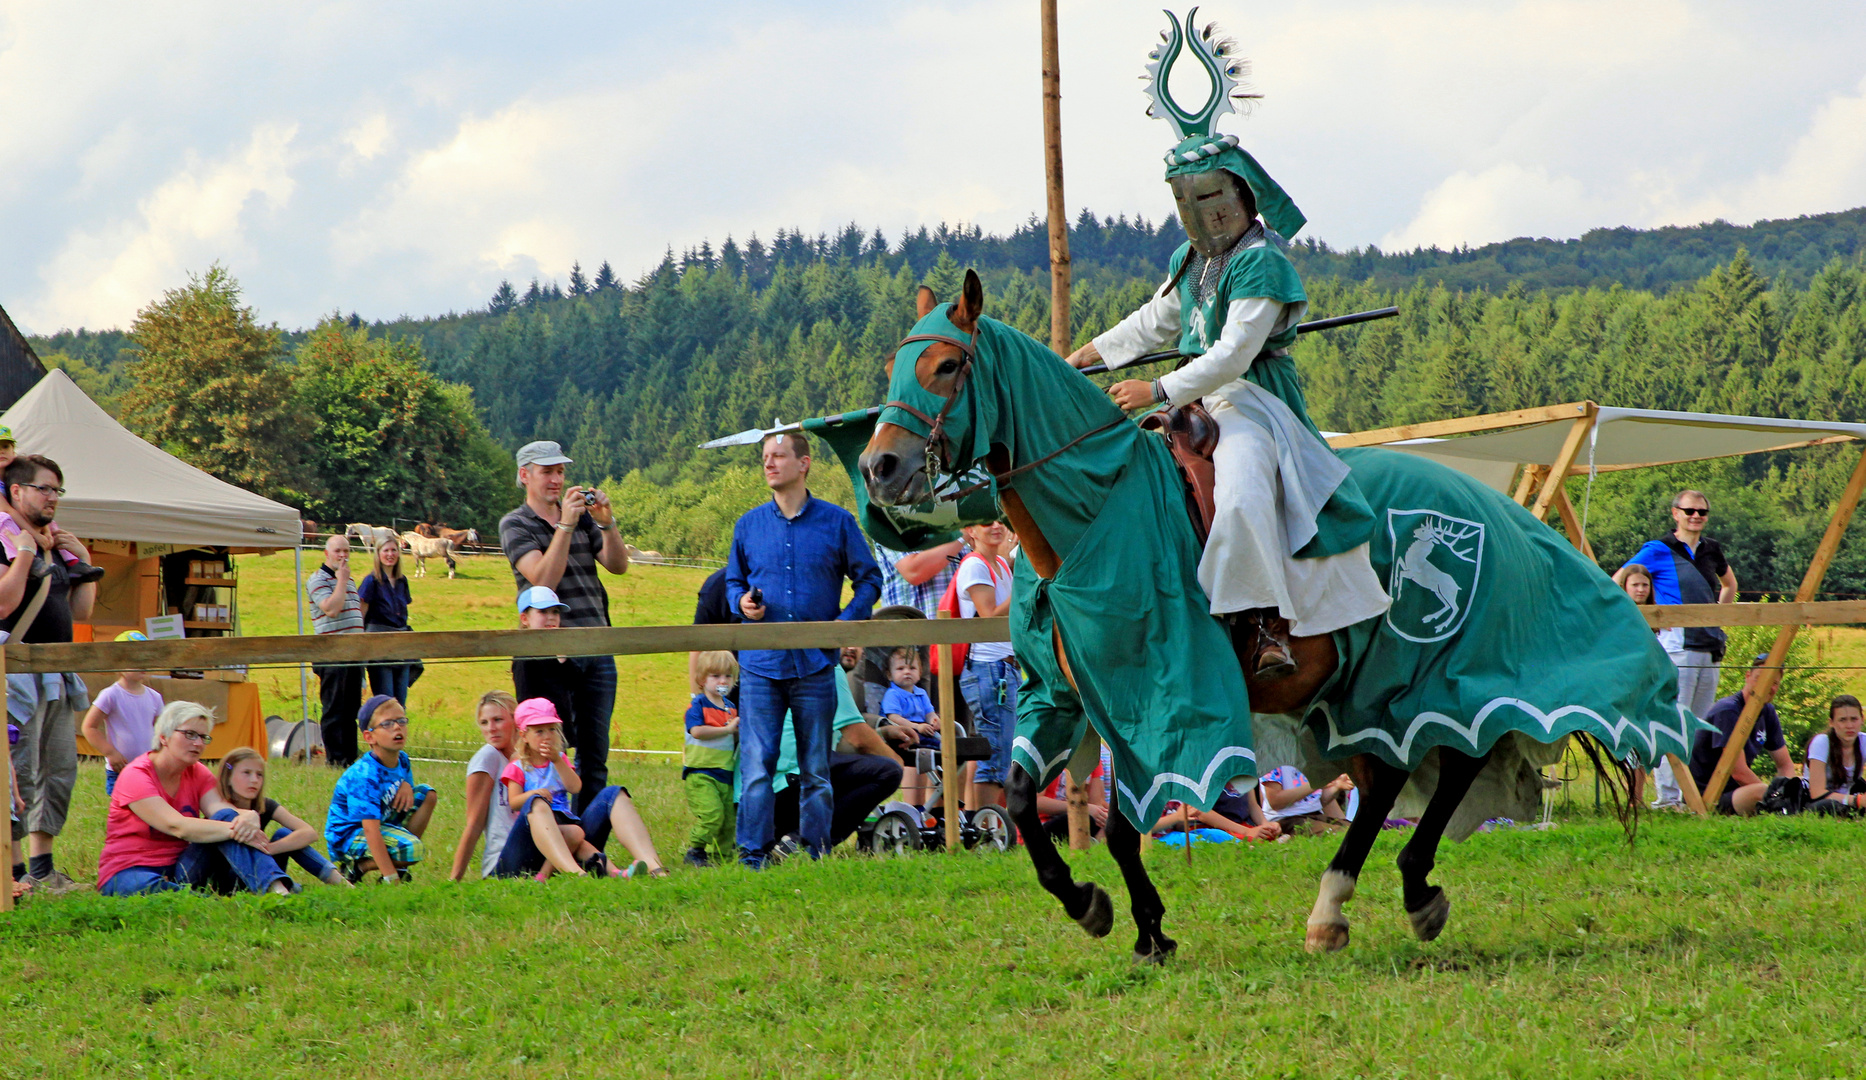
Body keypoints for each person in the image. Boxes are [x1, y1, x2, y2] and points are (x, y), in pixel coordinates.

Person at [1062, 93, 1388, 679]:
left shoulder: (1261, 262)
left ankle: (1265, 621)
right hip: (1191, 397)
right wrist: (1082, 358)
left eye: (1209, 195)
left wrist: (1158, 390)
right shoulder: (1189, 261)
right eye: (1185, 199)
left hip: (1251, 399)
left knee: (1239, 489)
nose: (1198, 210)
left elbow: (1234, 353)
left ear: (1239, 194)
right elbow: (1154, 321)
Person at [725, 430, 882, 865]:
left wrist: (845, 623)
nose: (769, 464)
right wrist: (741, 603)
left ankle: (814, 853)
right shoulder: (748, 525)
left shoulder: (837, 522)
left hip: (816, 665)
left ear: (804, 463)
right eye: (764, 457)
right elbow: (733, 583)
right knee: (756, 766)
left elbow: (870, 578)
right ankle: (751, 859)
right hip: (760, 666)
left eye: (778, 456)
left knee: (817, 768)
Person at [500, 440, 629, 812]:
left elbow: (618, 565)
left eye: (560, 471)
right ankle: (548, 833)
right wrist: (566, 525)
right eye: (547, 472)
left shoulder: (582, 518)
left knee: (595, 754)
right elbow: (542, 581)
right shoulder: (515, 523)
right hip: (548, 652)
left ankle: (588, 841)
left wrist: (606, 521)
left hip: (596, 645)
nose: (556, 480)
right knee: (546, 749)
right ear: (525, 476)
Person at [1, 454, 100, 895]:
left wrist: (82, 560)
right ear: (16, 491)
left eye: (58, 490)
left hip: (56, 671)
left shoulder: (52, 543)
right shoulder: (5, 538)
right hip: (16, 670)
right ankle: (15, 874)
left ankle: (43, 868)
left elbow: (80, 612)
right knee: (18, 772)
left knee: (58, 769)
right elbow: (5, 604)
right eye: (44, 488)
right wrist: (25, 550)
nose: (52, 498)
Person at [1615, 489, 1737, 807]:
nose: (1696, 516)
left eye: (1702, 512)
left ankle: (1688, 795)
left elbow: (1730, 585)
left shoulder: (1712, 549)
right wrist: (1647, 621)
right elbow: (1621, 579)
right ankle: (1668, 797)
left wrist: (1718, 620)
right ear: (1675, 513)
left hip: (1710, 645)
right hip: (1677, 645)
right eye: (1689, 511)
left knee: (1698, 725)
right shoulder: (1657, 549)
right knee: (1673, 721)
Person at [97, 702, 294, 897]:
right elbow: (176, 826)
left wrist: (248, 816)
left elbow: (221, 810)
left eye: (203, 737)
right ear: (164, 737)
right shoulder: (136, 775)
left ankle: (275, 887)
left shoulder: (198, 772)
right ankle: (211, 900)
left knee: (227, 817)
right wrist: (236, 828)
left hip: (182, 868)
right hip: (130, 869)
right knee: (144, 886)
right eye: (189, 734)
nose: (198, 743)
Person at [768, 656, 911, 853]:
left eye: (856, 644)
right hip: (790, 780)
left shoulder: (789, 662)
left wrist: (883, 732)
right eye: (844, 641)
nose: (851, 648)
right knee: (888, 770)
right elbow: (857, 737)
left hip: (762, 795)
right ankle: (802, 843)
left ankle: (783, 840)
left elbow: (840, 740)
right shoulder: (828, 666)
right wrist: (897, 761)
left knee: (836, 765)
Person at [324, 694, 439, 882]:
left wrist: (406, 785)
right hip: (348, 836)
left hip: (378, 821)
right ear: (370, 737)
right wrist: (390, 877)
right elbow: (370, 829)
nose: (397, 727)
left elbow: (407, 792)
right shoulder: (365, 775)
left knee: (427, 794)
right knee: (413, 849)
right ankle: (362, 867)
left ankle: (397, 863)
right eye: (387, 724)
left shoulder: (402, 760)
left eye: (401, 721)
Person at [501, 698, 617, 879]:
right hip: (535, 826)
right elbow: (514, 802)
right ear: (524, 735)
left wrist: (557, 760)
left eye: (552, 730)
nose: (547, 736)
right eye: (539, 731)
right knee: (576, 834)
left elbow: (575, 787)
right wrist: (533, 795)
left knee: (579, 840)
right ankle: (549, 875)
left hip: (563, 819)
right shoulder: (518, 766)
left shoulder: (560, 759)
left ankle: (616, 872)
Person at [953, 521, 1016, 812]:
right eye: (985, 522)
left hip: (1003, 667)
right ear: (970, 531)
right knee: (994, 750)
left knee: (998, 747)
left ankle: (980, 822)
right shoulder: (975, 565)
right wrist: (1025, 589)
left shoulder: (1001, 563)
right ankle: (985, 827)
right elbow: (988, 615)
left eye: (999, 519)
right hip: (987, 667)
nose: (996, 525)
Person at [216, 747, 347, 886]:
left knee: (284, 833)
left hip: (264, 868)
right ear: (228, 777)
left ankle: (342, 883)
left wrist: (270, 848)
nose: (254, 780)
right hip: (231, 877)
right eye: (246, 773)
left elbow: (309, 833)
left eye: (259, 774)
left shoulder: (265, 805)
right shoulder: (219, 809)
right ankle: (288, 887)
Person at [1687, 654, 1795, 817]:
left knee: (1798, 785)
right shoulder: (1728, 711)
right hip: (1709, 796)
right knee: (1761, 791)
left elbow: (1785, 764)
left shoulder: (1767, 711)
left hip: (1737, 792)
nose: (1767, 686)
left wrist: (1788, 790)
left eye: (1774, 683)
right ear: (1747, 676)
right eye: (1761, 678)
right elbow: (1739, 772)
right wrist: (1775, 797)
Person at [1621, 564, 1683, 806]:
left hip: (1648, 686)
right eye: (1635, 585)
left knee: (1643, 743)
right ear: (1625, 587)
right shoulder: (1619, 613)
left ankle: (1635, 799)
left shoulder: (1657, 615)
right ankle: (1630, 797)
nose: (1640, 590)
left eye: (1644, 585)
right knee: (1629, 742)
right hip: (1625, 685)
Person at [79, 633, 164, 795]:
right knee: (125, 814)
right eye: (135, 659)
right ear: (118, 662)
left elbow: (160, 730)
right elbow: (89, 727)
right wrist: (110, 753)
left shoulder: (154, 697)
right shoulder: (111, 694)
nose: (142, 664)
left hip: (148, 769)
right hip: (121, 770)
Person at [307, 533, 366, 767]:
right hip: (332, 653)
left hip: (353, 653)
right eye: (338, 551)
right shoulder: (318, 579)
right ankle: (335, 759)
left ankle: (350, 758)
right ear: (326, 554)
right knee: (334, 708)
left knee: (352, 709)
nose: (343, 556)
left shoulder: (347, 579)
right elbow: (331, 609)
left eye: (346, 551)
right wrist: (341, 580)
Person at [449, 690, 520, 881]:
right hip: (505, 860)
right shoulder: (488, 757)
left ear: (516, 720)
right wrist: (453, 880)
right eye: (484, 723)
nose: (491, 729)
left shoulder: (529, 758)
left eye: (498, 720)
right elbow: (474, 824)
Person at [682, 651, 739, 868]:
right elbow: (696, 731)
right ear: (702, 679)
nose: (722, 681)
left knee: (728, 819)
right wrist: (728, 730)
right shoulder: (698, 705)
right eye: (715, 676)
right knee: (712, 815)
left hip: (725, 772)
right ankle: (695, 850)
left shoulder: (730, 707)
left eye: (728, 676)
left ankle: (722, 856)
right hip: (701, 772)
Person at [357, 536, 415, 705]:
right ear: (378, 554)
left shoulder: (402, 581)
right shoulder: (371, 581)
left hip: (401, 646)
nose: (390, 554)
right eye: (386, 550)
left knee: (400, 702)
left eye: (394, 550)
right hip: (379, 646)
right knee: (386, 702)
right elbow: (361, 616)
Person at [880, 647, 939, 809]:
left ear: (920, 673)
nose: (907, 672)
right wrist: (916, 726)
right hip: (903, 735)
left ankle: (936, 804)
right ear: (890, 675)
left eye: (912, 668)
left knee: (948, 746)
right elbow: (893, 718)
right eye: (900, 668)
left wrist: (934, 719)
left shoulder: (921, 693)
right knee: (935, 747)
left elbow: (929, 713)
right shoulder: (893, 694)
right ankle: (916, 805)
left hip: (924, 733)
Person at [869, 538, 966, 619]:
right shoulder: (891, 522)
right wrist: (962, 536)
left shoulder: (957, 521)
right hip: (910, 632)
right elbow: (914, 572)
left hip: (961, 631)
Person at [1807, 695, 1866, 816]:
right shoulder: (1821, 742)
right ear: (1831, 723)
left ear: (1862, 720)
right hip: (1816, 801)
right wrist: (1857, 800)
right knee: (1828, 806)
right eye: (1842, 720)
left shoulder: (1864, 742)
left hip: (1848, 799)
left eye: (1854, 719)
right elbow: (1817, 792)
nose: (1849, 726)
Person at [1257, 765, 1353, 836]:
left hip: (1315, 815)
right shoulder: (1273, 760)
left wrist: (1336, 786)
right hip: (1286, 820)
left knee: (1359, 830)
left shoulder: (1309, 757)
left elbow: (1318, 801)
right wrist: (1314, 784)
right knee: (1341, 834)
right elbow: (1275, 802)